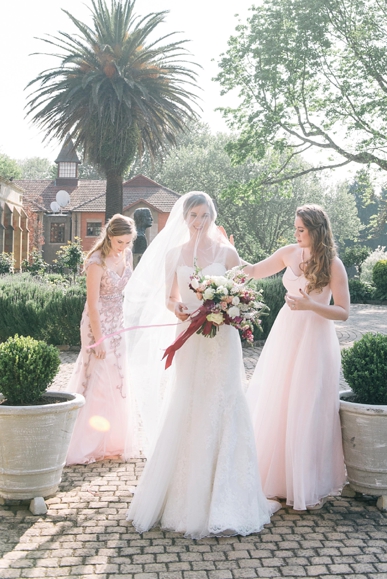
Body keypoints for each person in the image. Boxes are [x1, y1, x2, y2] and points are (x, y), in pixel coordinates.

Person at [123, 191, 279, 538]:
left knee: (225, 401)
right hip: (190, 337)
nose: (198, 222)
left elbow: (244, 295)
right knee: (190, 401)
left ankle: (229, 495)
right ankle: (183, 496)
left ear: (212, 216)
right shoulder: (175, 254)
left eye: (204, 215)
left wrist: (229, 307)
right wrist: (175, 307)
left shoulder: (227, 252)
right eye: (193, 215)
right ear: (184, 218)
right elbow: (169, 297)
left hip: (223, 340)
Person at [243, 204, 349, 511]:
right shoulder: (288, 253)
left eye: (301, 229)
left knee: (307, 407)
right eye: (295, 229)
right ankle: (277, 480)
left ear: (316, 230)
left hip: (315, 339)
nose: (296, 234)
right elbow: (252, 271)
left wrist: (311, 306)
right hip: (285, 335)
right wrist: (229, 251)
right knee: (279, 401)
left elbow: (343, 312)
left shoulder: (333, 265)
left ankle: (306, 483)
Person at [66, 214, 135, 465]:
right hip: (98, 324)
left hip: (119, 321)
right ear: (109, 236)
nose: (124, 247)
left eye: (128, 242)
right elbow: (93, 306)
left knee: (118, 377)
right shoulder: (96, 262)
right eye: (120, 242)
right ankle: (86, 442)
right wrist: (100, 339)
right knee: (98, 377)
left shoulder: (126, 255)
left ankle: (113, 440)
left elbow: (129, 288)